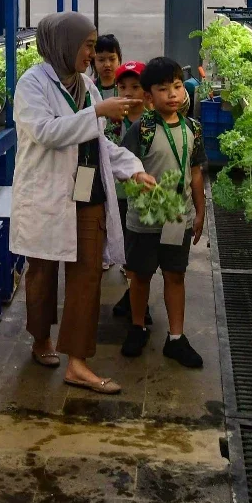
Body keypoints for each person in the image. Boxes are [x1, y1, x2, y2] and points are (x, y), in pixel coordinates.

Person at [11, 12, 155, 395]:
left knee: (88, 274)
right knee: (42, 272)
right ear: (64, 44)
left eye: (93, 45)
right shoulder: (32, 85)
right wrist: (97, 113)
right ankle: (40, 338)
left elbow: (99, 142)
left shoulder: (86, 86)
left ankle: (77, 362)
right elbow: (45, 132)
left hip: (87, 192)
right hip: (47, 195)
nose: (92, 54)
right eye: (87, 45)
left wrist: (132, 169)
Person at [119, 57, 207, 368]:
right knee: (140, 275)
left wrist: (199, 211)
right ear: (148, 97)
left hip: (177, 219)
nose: (172, 93)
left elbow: (195, 173)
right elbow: (123, 167)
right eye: (163, 88)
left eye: (178, 86)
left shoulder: (193, 129)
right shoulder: (140, 130)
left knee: (175, 275)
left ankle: (176, 338)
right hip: (143, 221)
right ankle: (137, 327)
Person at [107, 61, 153, 327]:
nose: (128, 93)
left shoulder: (153, 123)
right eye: (122, 87)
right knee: (127, 252)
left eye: (135, 87)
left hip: (144, 197)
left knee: (141, 256)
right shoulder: (112, 123)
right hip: (120, 197)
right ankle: (134, 299)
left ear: (146, 92)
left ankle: (138, 303)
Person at [93, 34, 123, 100]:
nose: (107, 64)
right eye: (101, 60)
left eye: (112, 59)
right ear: (93, 61)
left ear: (119, 59)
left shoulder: (125, 86)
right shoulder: (89, 87)